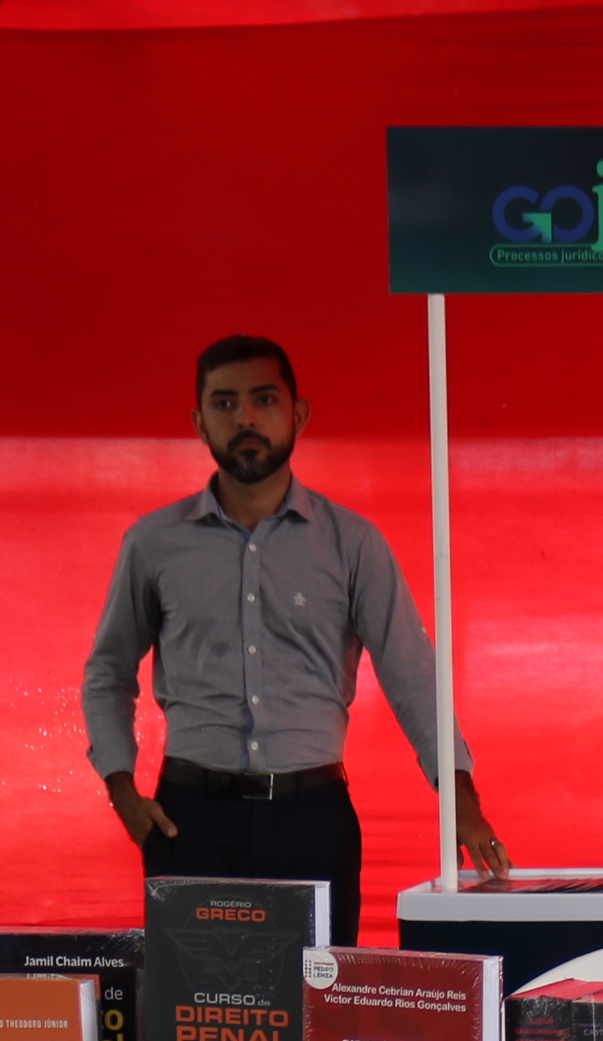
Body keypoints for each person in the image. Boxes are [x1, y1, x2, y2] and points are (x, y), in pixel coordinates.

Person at [81, 334, 512, 943]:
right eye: (225, 404)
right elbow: (108, 673)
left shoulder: (351, 544)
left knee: (318, 998)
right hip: (190, 823)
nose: (246, 419)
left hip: (312, 822)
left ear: (298, 415)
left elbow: (412, 677)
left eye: (264, 400)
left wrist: (460, 802)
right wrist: (122, 790)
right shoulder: (153, 544)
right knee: (198, 1000)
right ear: (199, 423)